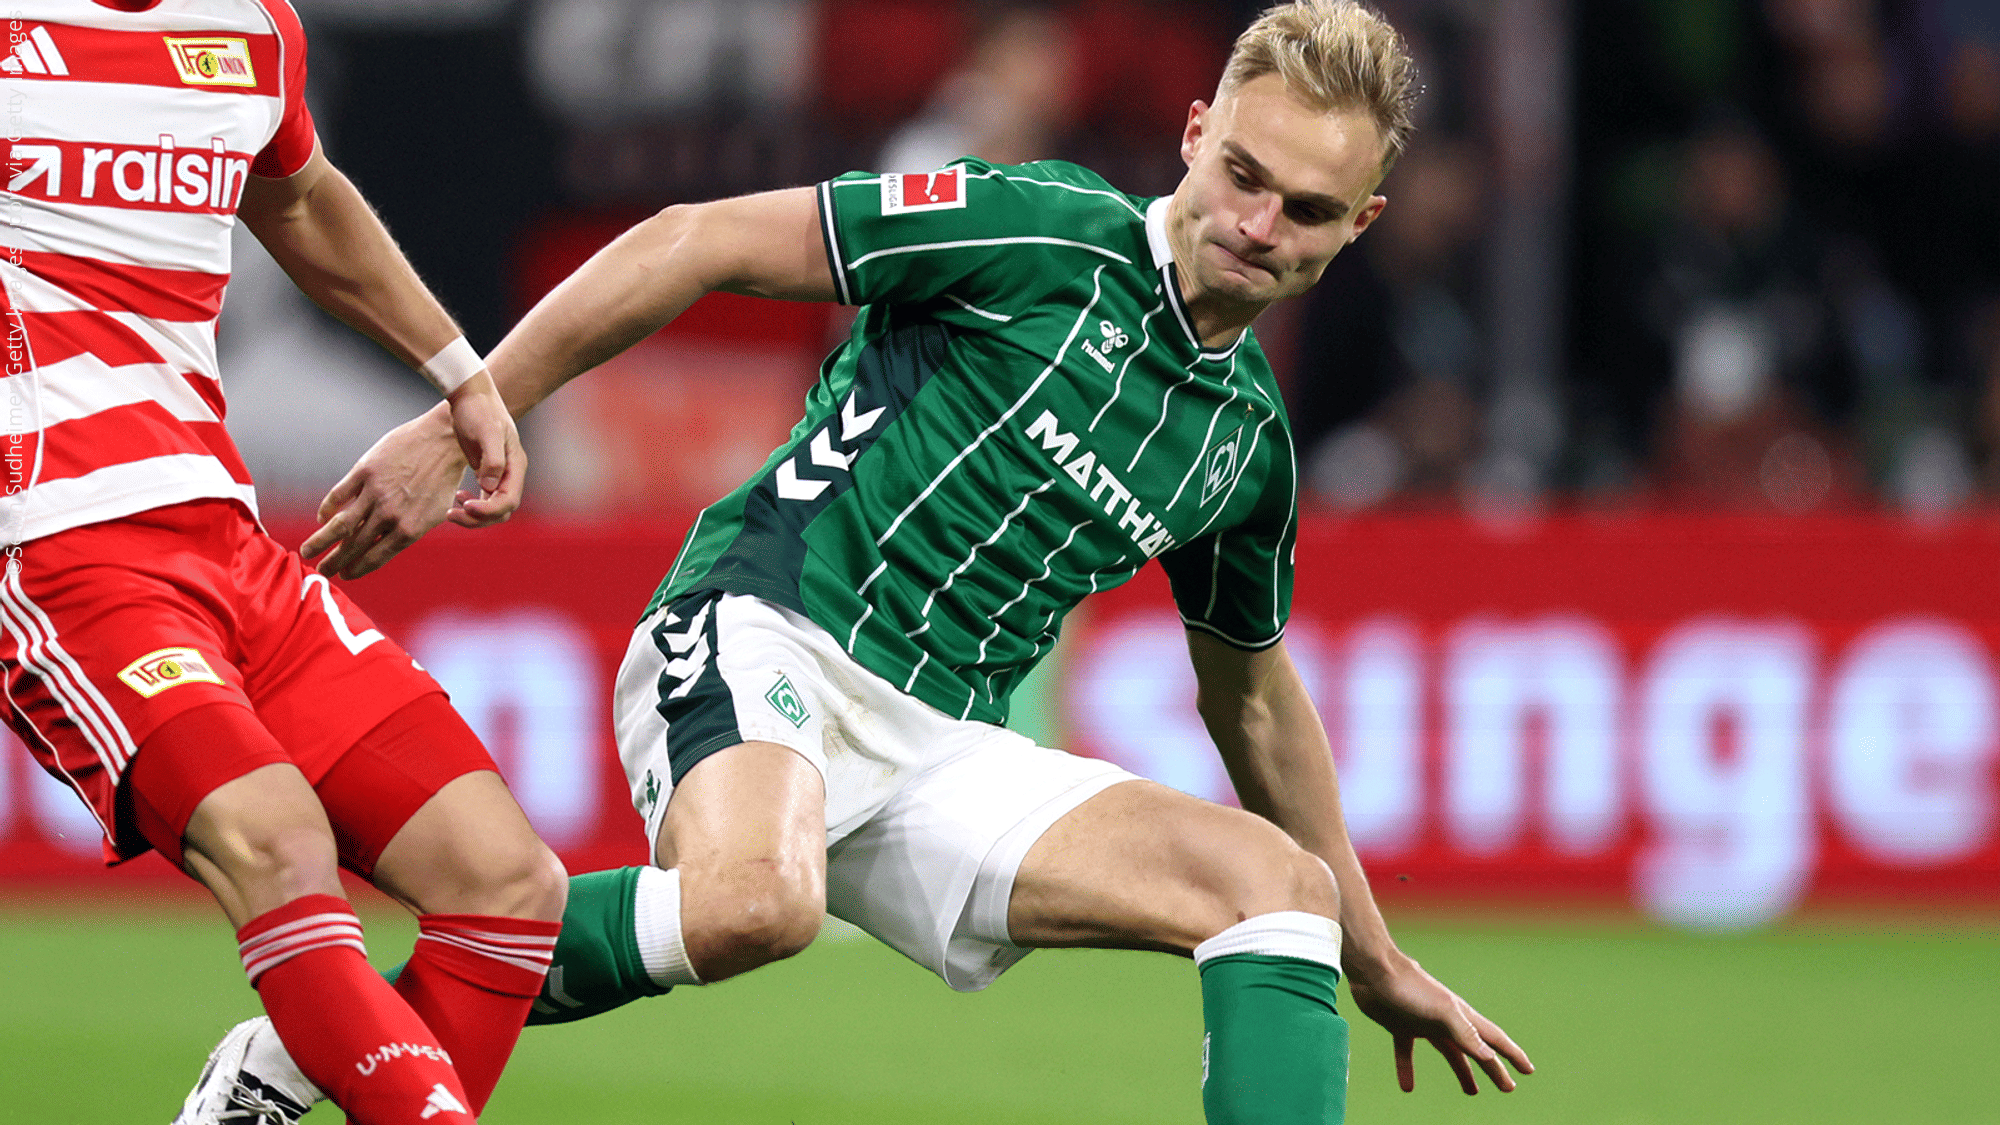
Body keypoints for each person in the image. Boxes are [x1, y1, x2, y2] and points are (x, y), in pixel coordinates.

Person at [193, 2, 1532, 1121]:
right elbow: (694, 238)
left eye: (1306, 208)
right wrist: (463, 415)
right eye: (1241, 174)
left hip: (945, 747)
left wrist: (1370, 952)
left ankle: (330, 1036)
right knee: (758, 903)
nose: (1257, 223)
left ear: (1358, 224)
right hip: (764, 618)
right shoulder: (1036, 230)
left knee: (1277, 893)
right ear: (1194, 135)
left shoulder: (1244, 447)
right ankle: (310, 1049)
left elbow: (1254, 700)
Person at [0, 3, 568, 1123]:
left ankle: (258, 1092)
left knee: (506, 883)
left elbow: (301, 199)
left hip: (223, 534)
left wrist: (460, 373)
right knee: (279, 842)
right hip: (57, 537)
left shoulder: (250, 28)